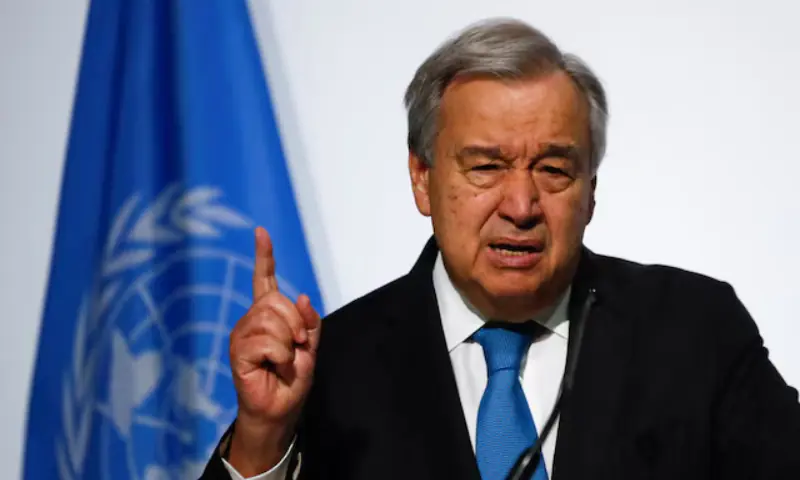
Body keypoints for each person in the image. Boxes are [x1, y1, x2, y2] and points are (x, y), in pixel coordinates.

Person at [201, 17, 800, 480]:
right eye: (486, 167)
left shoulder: (694, 334)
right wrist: (261, 440)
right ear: (421, 179)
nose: (521, 205)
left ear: (591, 189)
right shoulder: (332, 369)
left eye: (554, 170)